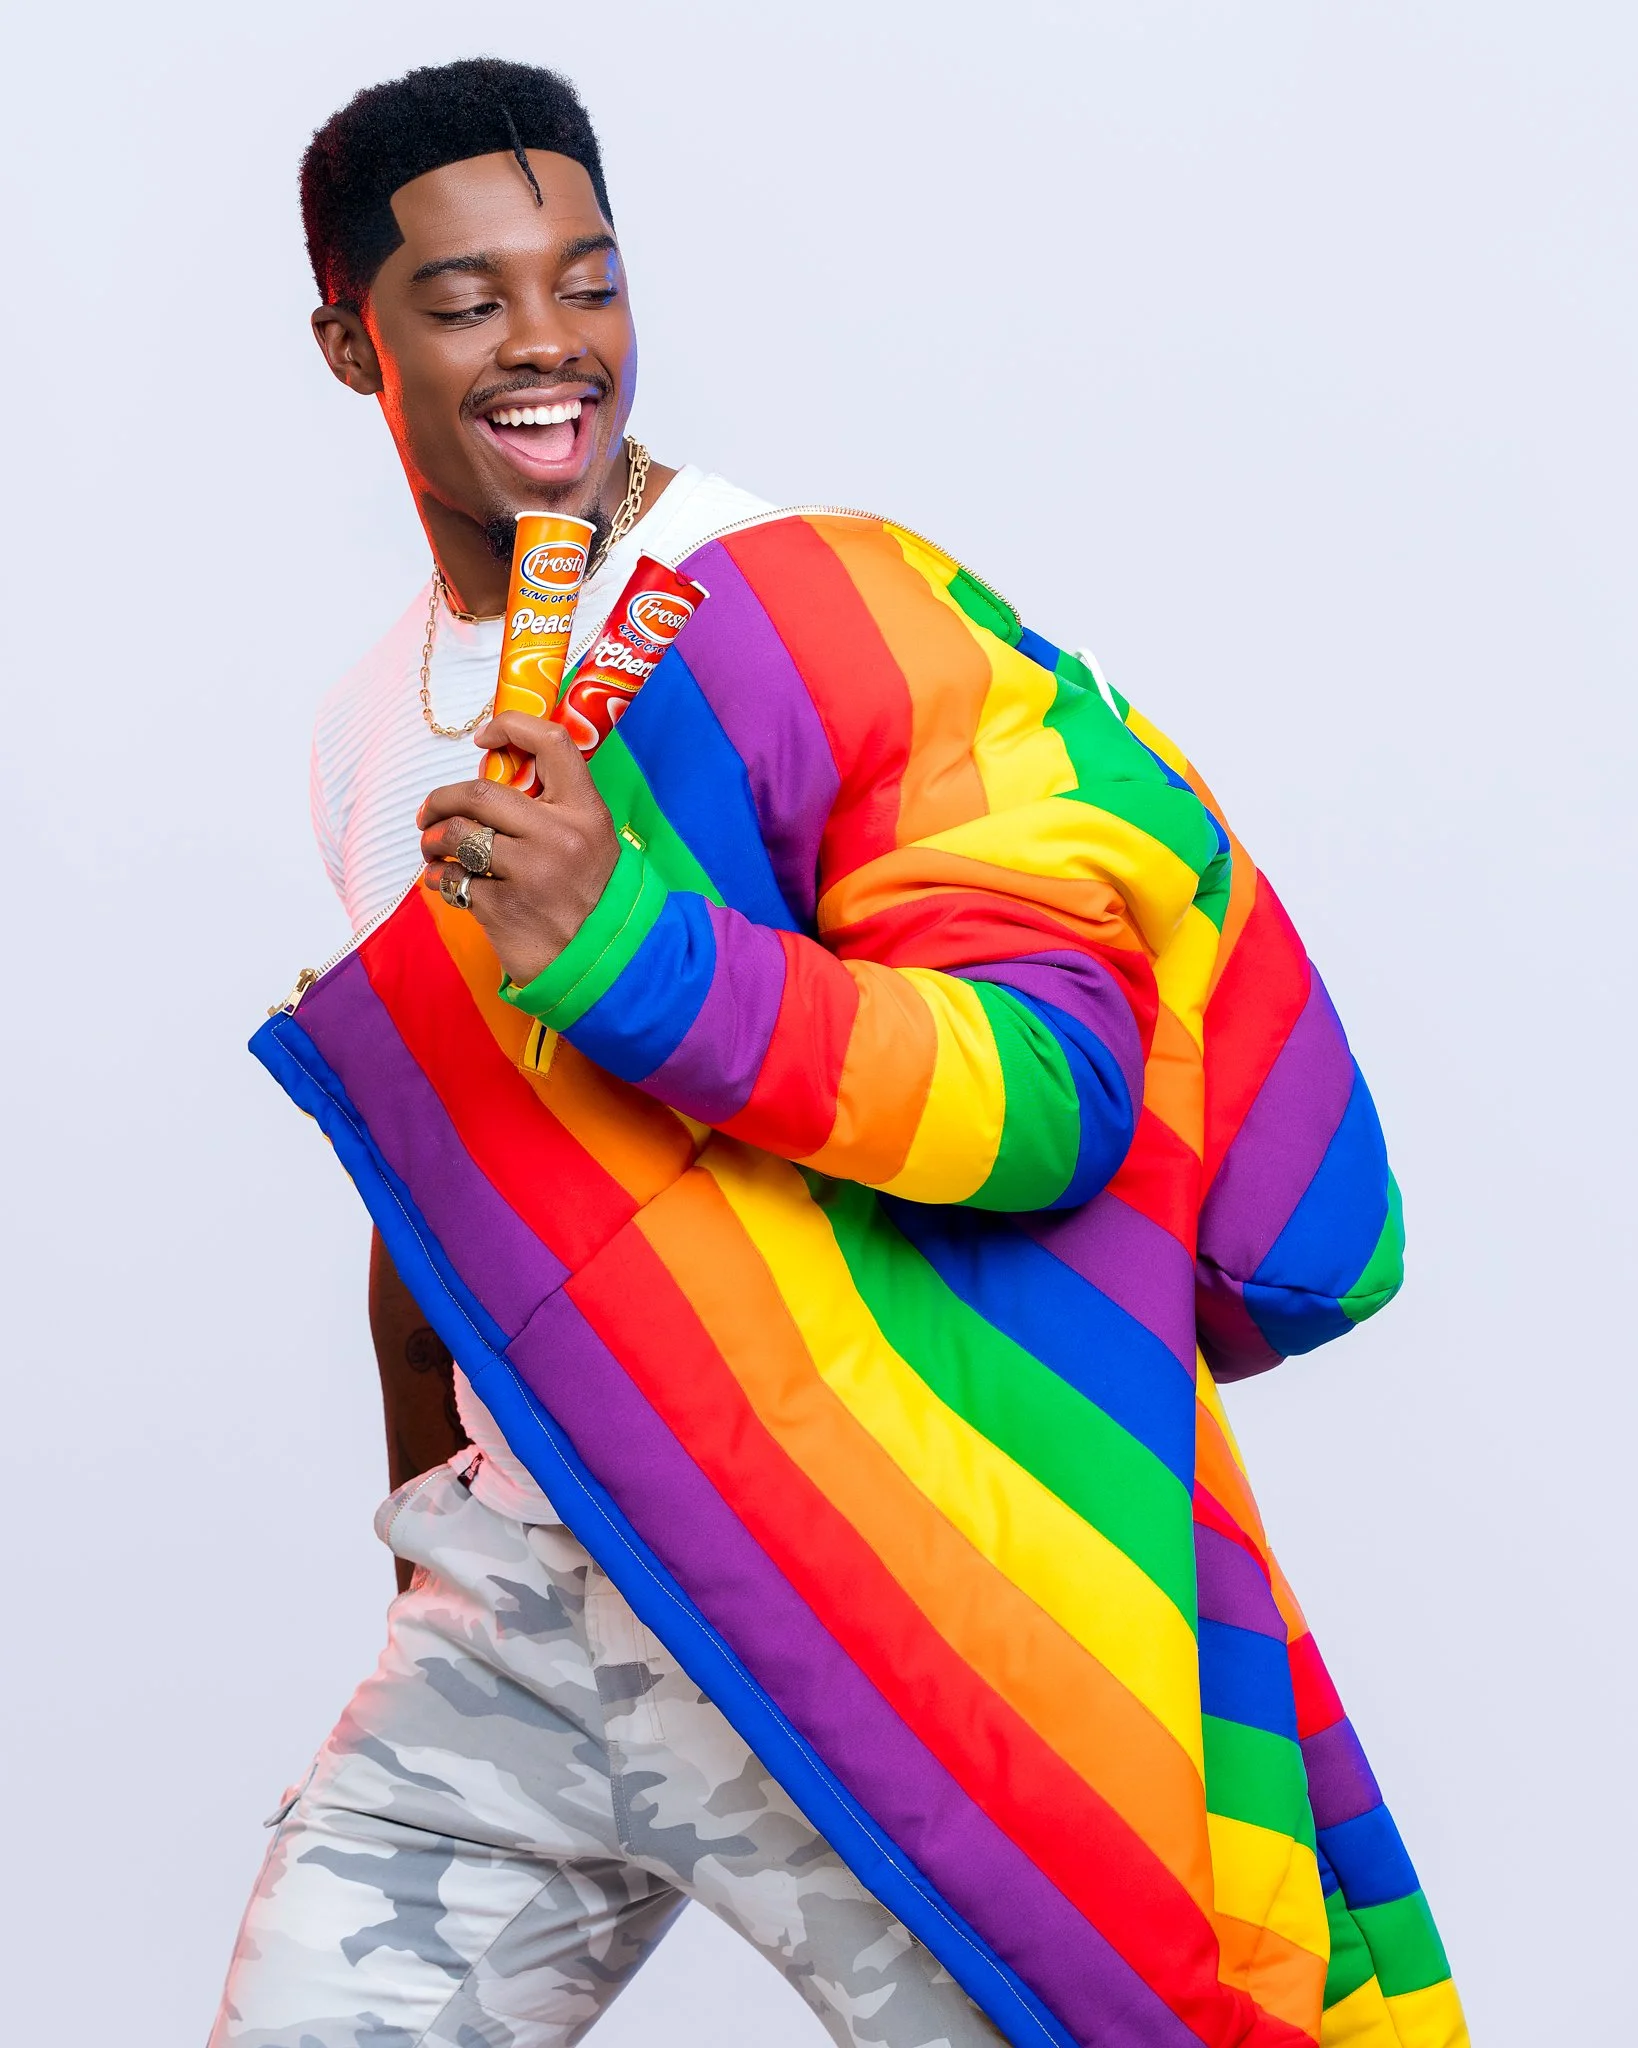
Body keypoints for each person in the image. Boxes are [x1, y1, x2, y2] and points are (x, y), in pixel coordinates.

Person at [213, 57, 1003, 2048]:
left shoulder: (804, 604)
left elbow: (1014, 1080)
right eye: (469, 299)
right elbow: (445, 1161)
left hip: (839, 1601)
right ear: (349, 342)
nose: (551, 342)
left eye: (588, 279)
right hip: (525, 1612)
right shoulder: (360, 721)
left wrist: (642, 945)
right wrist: (423, 1528)